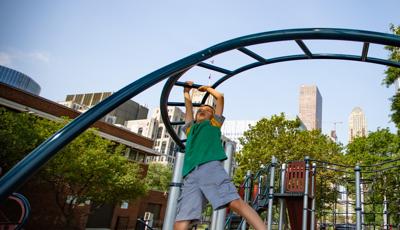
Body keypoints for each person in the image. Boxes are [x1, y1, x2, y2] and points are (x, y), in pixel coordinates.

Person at [174, 81, 266, 230]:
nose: (202, 110)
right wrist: (186, 92)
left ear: (213, 116)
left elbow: (220, 98)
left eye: (208, 110)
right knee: (183, 218)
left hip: (209, 167)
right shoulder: (191, 129)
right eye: (200, 110)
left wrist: (208, 89)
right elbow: (189, 109)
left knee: (235, 203)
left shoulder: (213, 125)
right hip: (190, 175)